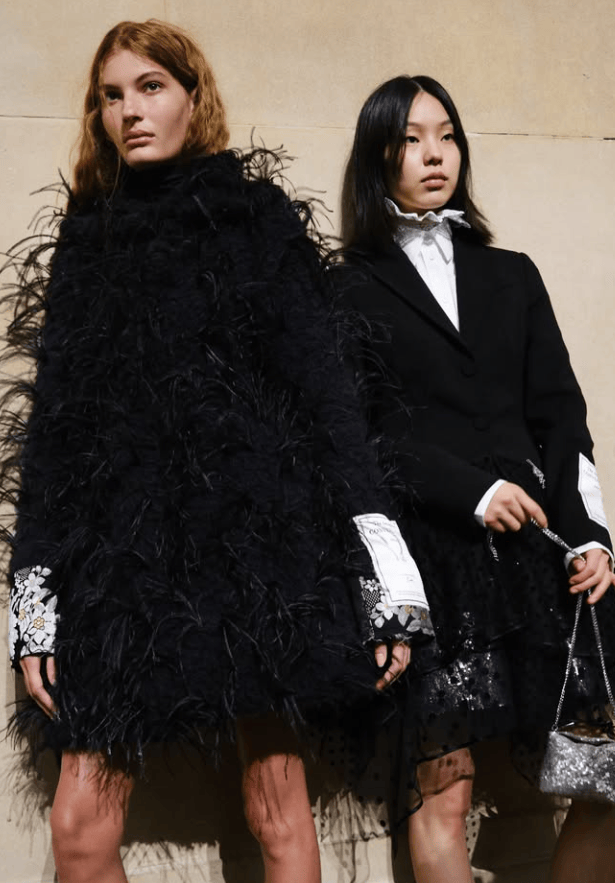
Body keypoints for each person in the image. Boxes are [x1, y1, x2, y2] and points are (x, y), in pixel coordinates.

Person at [2, 26, 432, 883]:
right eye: (111, 95)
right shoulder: (90, 237)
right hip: (121, 553)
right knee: (79, 826)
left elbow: (324, 392)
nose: (129, 111)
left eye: (150, 86)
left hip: (249, 545)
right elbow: (56, 427)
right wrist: (34, 597)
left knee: (276, 812)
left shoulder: (253, 218)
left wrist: (385, 569)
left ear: (192, 96)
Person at [339, 74, 615, 883]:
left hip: (541, 556)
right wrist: (472, 492)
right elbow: (359, 436)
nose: (433, 154)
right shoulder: (345, 285)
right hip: (433, 557)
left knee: (600, 771)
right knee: (443, 790)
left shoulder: (512, 274)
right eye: (409, 139)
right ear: (377, 158)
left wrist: (590, 536)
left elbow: (560, 418)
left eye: (447, 135)